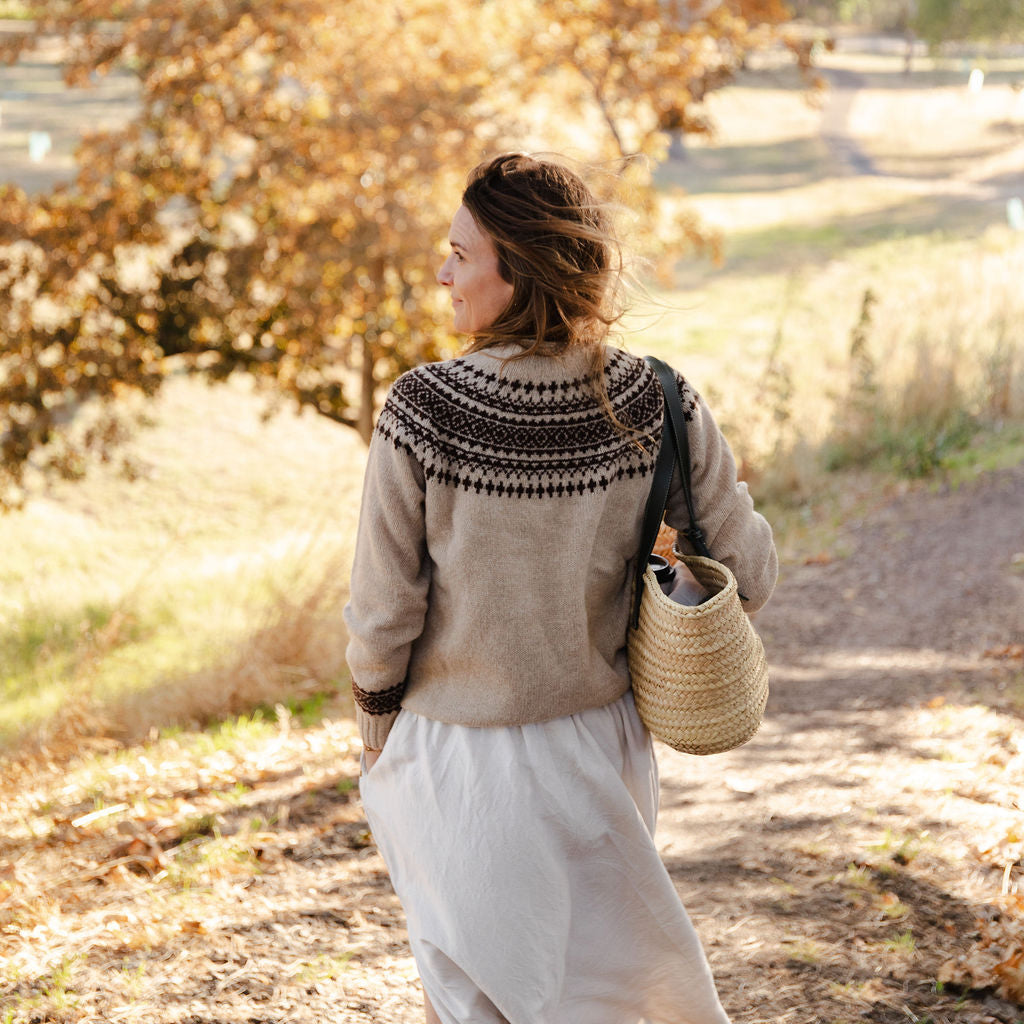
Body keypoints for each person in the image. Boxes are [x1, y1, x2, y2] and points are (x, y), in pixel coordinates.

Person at [343, 153, 778, 1024]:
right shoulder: (659, 397)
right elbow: (752, 574)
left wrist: (376, 738)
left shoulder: (422, 409)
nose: (443, 273)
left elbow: (384, 616)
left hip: (454, 758)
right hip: (599, 753)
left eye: (461, 254)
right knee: (605, 1000)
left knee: (472, 999)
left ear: (519, 269)